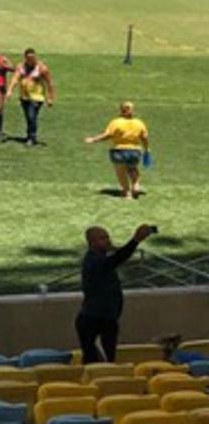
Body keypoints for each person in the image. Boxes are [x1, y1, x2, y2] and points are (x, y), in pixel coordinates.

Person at [77, 224, 157, 363]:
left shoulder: (100, 258)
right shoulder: (94, 262)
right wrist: (135, 240)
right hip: (93, 319)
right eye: (102, 238)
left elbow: (116, 254)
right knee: (93, 361)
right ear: (92, 242)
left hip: (107, 318)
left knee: (109, 359)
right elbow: (117, 258)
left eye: (107, 236)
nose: (107, 240)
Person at [85, 101, 151, 199]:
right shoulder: (139, 123)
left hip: (119, 151)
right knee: (133, 168)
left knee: (121, 172)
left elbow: (107, 135)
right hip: (135, 151)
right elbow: (144, 138)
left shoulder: (116, 122)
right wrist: (146, 149)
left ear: (121, 110)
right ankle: (136, 185)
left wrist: (93, 139)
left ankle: (127, 192)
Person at [13, 49, 55, 146]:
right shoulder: (21, 67)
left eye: (32, 58)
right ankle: (29, 135)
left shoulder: (41, 68)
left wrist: (50, 97)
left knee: (32, 116)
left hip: (37, 97)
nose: (30, 60)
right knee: (28, 117)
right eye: (28, 58)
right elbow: (15, 78)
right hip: (24, 96)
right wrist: (10, 90)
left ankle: (32, 137)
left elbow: (50, 83)